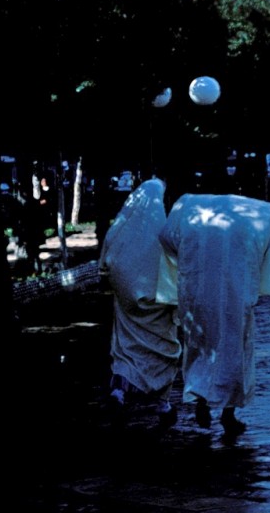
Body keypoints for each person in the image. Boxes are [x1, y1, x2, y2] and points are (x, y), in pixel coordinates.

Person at [157, 192, 270, 436]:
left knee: (200, 344)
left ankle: (202, 400)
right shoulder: (255, 216)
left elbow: (167, 237)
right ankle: (228, 413)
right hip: (235, 293)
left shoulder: (190, 209)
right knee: (234, 349)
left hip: (197, 290)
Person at [99, 178, 179, 427]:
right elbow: (174, 267)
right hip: (158, 307)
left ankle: (119, 392)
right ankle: (162, 404)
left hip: (127, 306)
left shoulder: (119, 229)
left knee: (127, 350)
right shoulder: (164, 232)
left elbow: (106, 263)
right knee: (162, 351)